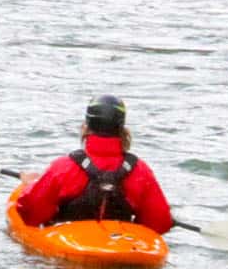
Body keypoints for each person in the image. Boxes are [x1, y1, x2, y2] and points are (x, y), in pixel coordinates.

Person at [13, 96, 173, 233]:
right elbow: (159, 223)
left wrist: (31, 185)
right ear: (122, 128)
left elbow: (29, 214)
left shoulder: (64, 167)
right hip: (118, 248)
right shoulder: (140, 171)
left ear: (86, 126)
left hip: (70, 257)